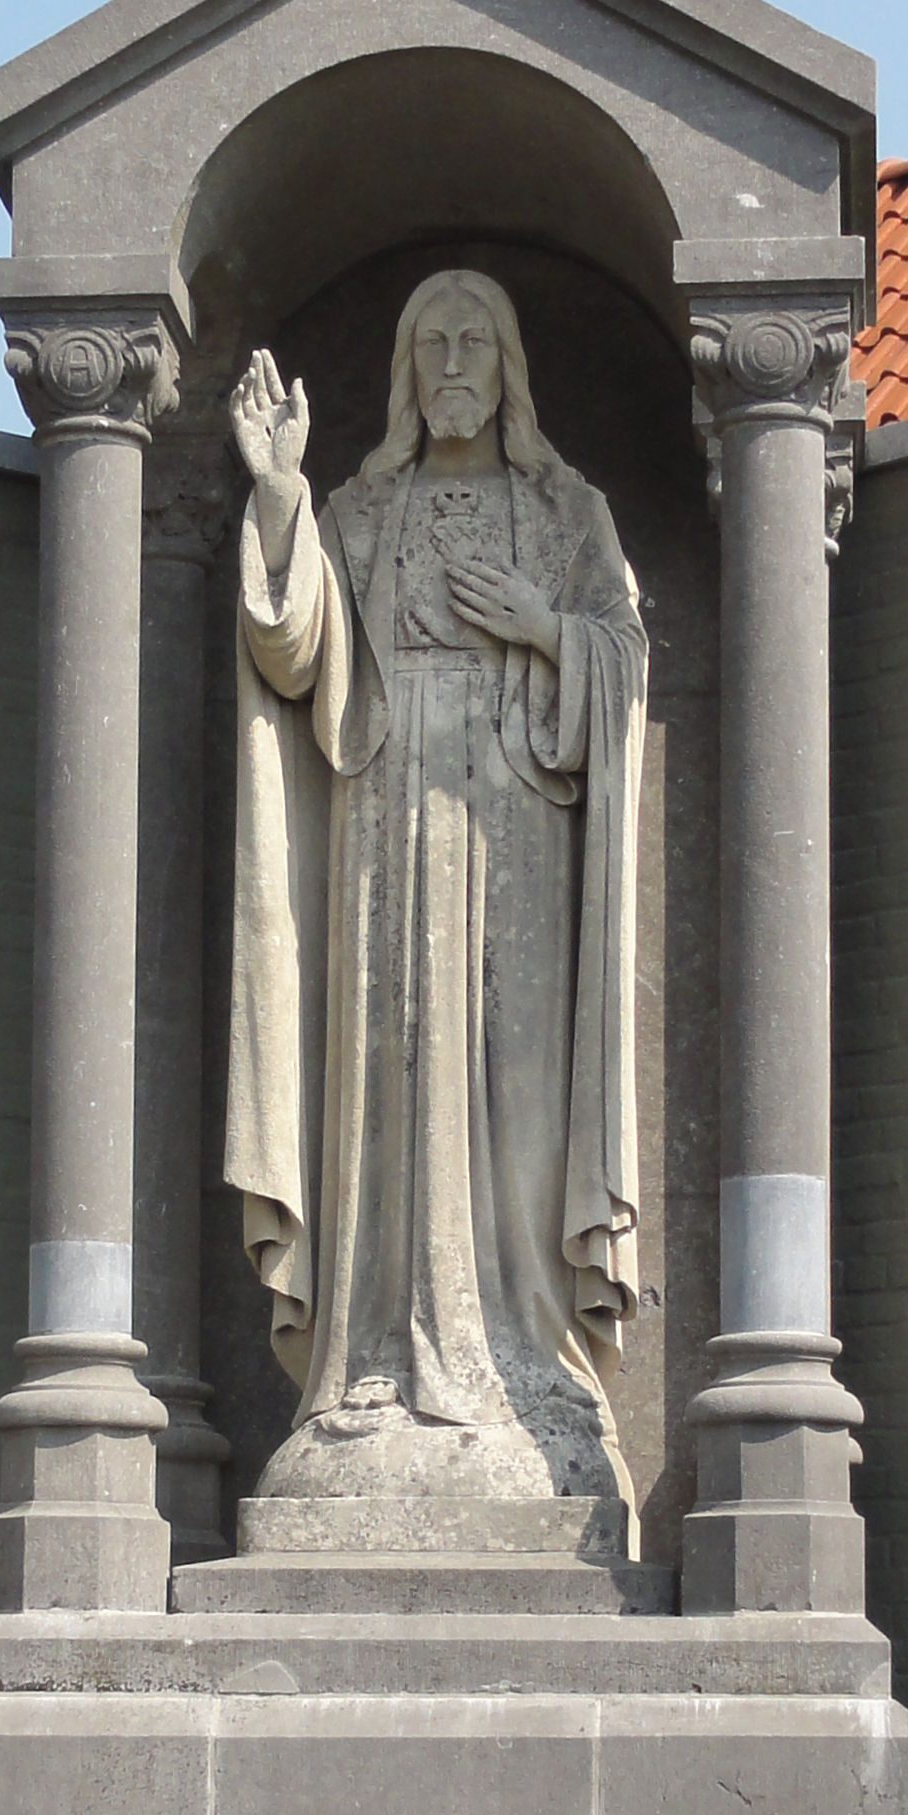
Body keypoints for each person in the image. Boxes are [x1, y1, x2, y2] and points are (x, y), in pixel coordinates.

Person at [224, 268, 647, 1532]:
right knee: (390, 1088)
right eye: (431, 343)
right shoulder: (360, 510)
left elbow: (626, 663)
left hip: (519, 832)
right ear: (406, 373)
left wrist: (545, 626)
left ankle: (528, 1370)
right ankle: (372, 1365)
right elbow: (295, 648)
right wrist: (279, 492)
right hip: (386, 818)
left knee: (518, 1101)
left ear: (509, 366)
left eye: (475, 340)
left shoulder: (568, 511)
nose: (454, 362)